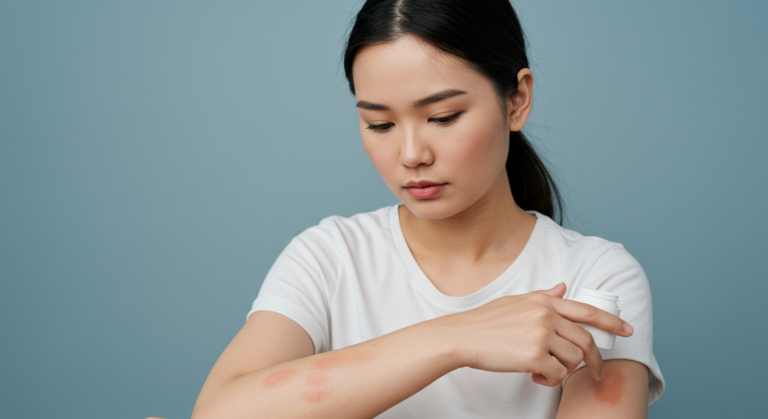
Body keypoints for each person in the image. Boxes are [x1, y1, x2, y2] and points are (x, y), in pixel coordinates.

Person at [180, 1, 665, 418]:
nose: (411, 154)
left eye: (442, 117)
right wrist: (452, 338)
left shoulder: (596, 277)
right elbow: (221, 410)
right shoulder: (329, 257)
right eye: (380, 124)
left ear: (517, 100)